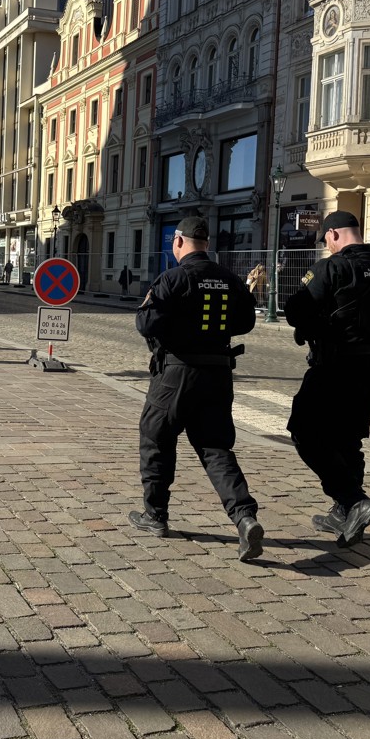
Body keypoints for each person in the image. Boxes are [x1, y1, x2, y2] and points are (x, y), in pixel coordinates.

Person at [129, 216, 262, 561]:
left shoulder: (173, 278)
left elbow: (146, 323)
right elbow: (246, 322)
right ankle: (244, 517)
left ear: (178, 242)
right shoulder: (229, 279)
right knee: (216, 447)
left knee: (156, 438)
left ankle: (155, 514)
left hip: (176, 374)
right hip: (217, 373)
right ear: (207, 244)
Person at [284, 211, 370, 548]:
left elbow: (295, 310)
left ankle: (354, 501)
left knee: (305, 432)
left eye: (326, 240)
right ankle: (343, 513)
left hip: (335, 364)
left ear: (334, 234)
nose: (327, 246)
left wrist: (316, 326)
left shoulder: (331, 267)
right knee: (349, 439)